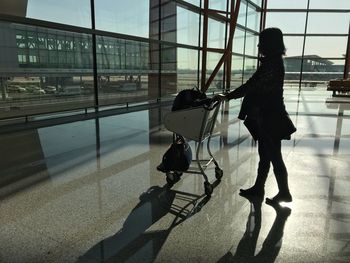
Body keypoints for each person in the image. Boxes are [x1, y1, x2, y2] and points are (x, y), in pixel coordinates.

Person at [214, 27, 296, 203]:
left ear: (269, 43)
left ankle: (284, 192)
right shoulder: (273, 62)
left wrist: (227, 96)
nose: (259, 44)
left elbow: (250, 85)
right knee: (266, 155)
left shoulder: (271, 64)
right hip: (268, 117)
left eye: (261, 41)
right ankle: (259, 188)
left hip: (270, 119)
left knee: (274, 156)